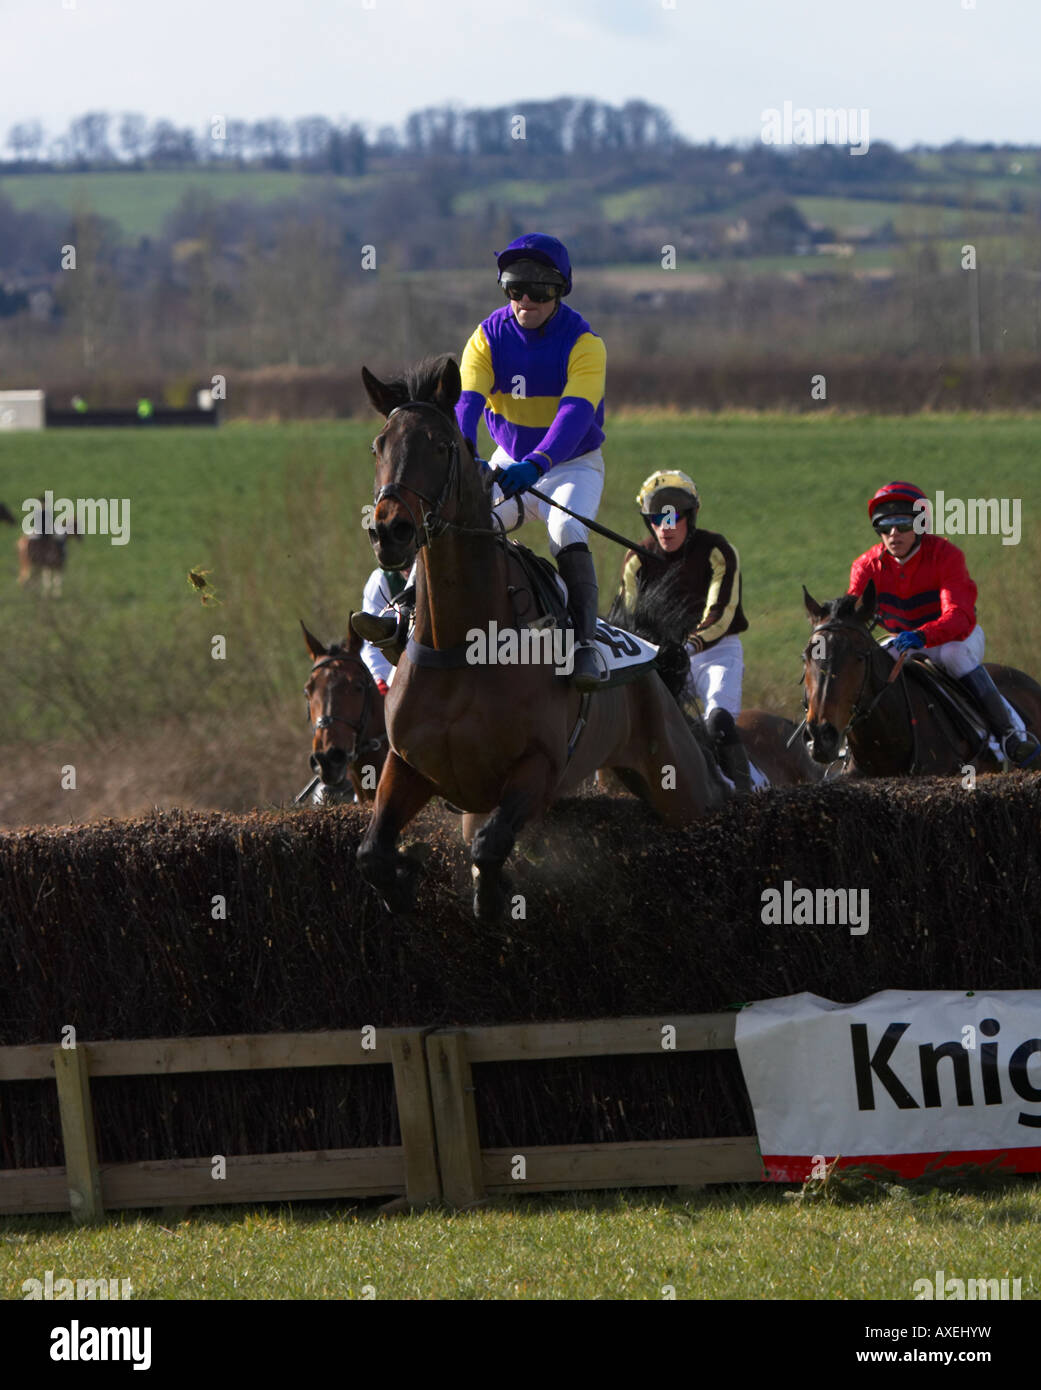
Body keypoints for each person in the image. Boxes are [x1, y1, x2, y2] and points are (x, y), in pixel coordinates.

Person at [352, 232, 608, 692]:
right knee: (459, 521)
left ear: (560, 291)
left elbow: (575, 415)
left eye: (539, 290)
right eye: (514, 289)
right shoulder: (487, 337)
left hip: (570, 464)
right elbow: (466, 403)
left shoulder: (586, 344)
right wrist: (468, 455)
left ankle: (585, 643)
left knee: (566, 531)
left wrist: (537, 464)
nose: (525, 300)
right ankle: (405, 609)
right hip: (508, 458)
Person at [849, 480, 1040, 767]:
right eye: (884, 527)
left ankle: (1012, 734)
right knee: (867, 664)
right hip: (903, 641)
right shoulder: (865, 566)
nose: (893, 534)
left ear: (921, 524)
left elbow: (958, 617)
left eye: (902, 525)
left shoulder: (946, 556)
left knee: (954, 656)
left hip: (954, 638)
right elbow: (854, 617)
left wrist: (921, 635)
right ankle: (846, 742)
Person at [618, 470, 752, 793]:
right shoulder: (636, 558)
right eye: (656, 517)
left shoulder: (718, 550)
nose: (665, 527)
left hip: (715, 653)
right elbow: (627, 619)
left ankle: (748, 799)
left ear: (690, 517)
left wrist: (688, 646)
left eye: (673, 517)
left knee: (717, 722)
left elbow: (720, 613)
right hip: (663, 661)